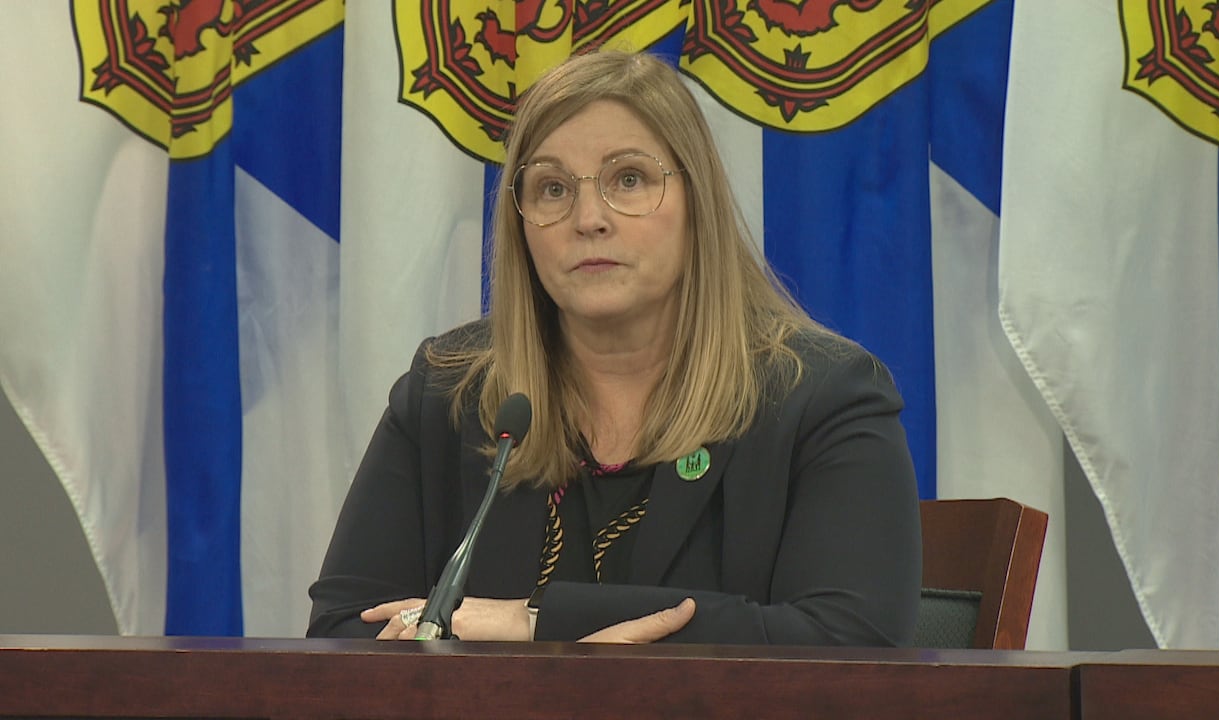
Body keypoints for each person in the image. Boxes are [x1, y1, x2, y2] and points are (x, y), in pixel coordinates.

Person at [307, 50, 921, 645]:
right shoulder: (449, 391)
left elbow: (852, 643)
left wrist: (540, 623)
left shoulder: (824, 398)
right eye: (552, 189)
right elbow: (343, 631)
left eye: (628, 179)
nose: (588, 218)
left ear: (696, 203)